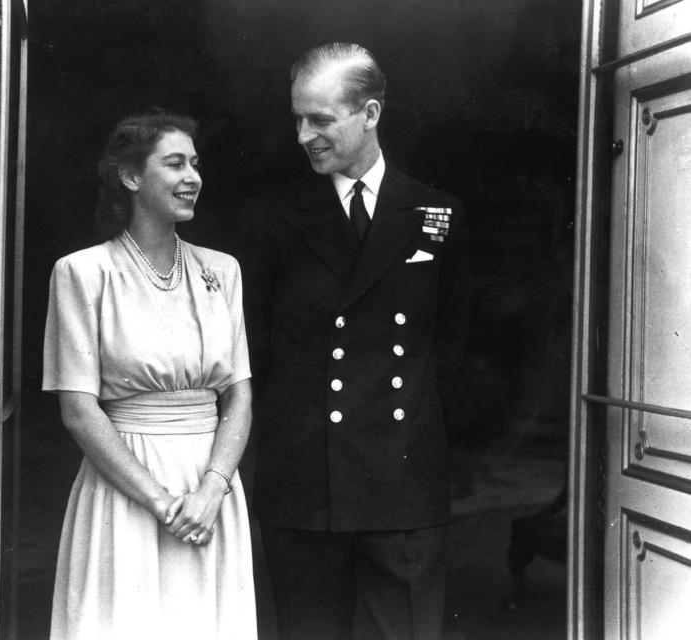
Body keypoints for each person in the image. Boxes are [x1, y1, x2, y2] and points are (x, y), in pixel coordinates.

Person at [246, 43, 468, 640]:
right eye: (297, 118)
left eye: (320, 119)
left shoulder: (435, 212)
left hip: (401, 484)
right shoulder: (277, 218)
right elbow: (255, 351)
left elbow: (456, 348)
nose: (303, 135)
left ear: (369, 114)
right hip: (305, 484)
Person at [42, 110, 257, 639]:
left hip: (210, 491)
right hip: (127, 489)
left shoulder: (221, 270)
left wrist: (210, 492)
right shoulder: (83, 273)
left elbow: (239, 396)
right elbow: (77, 408)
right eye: (175, 163)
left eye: (196, 164)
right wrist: (160, 502)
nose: (193, 177)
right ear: (131, 176)